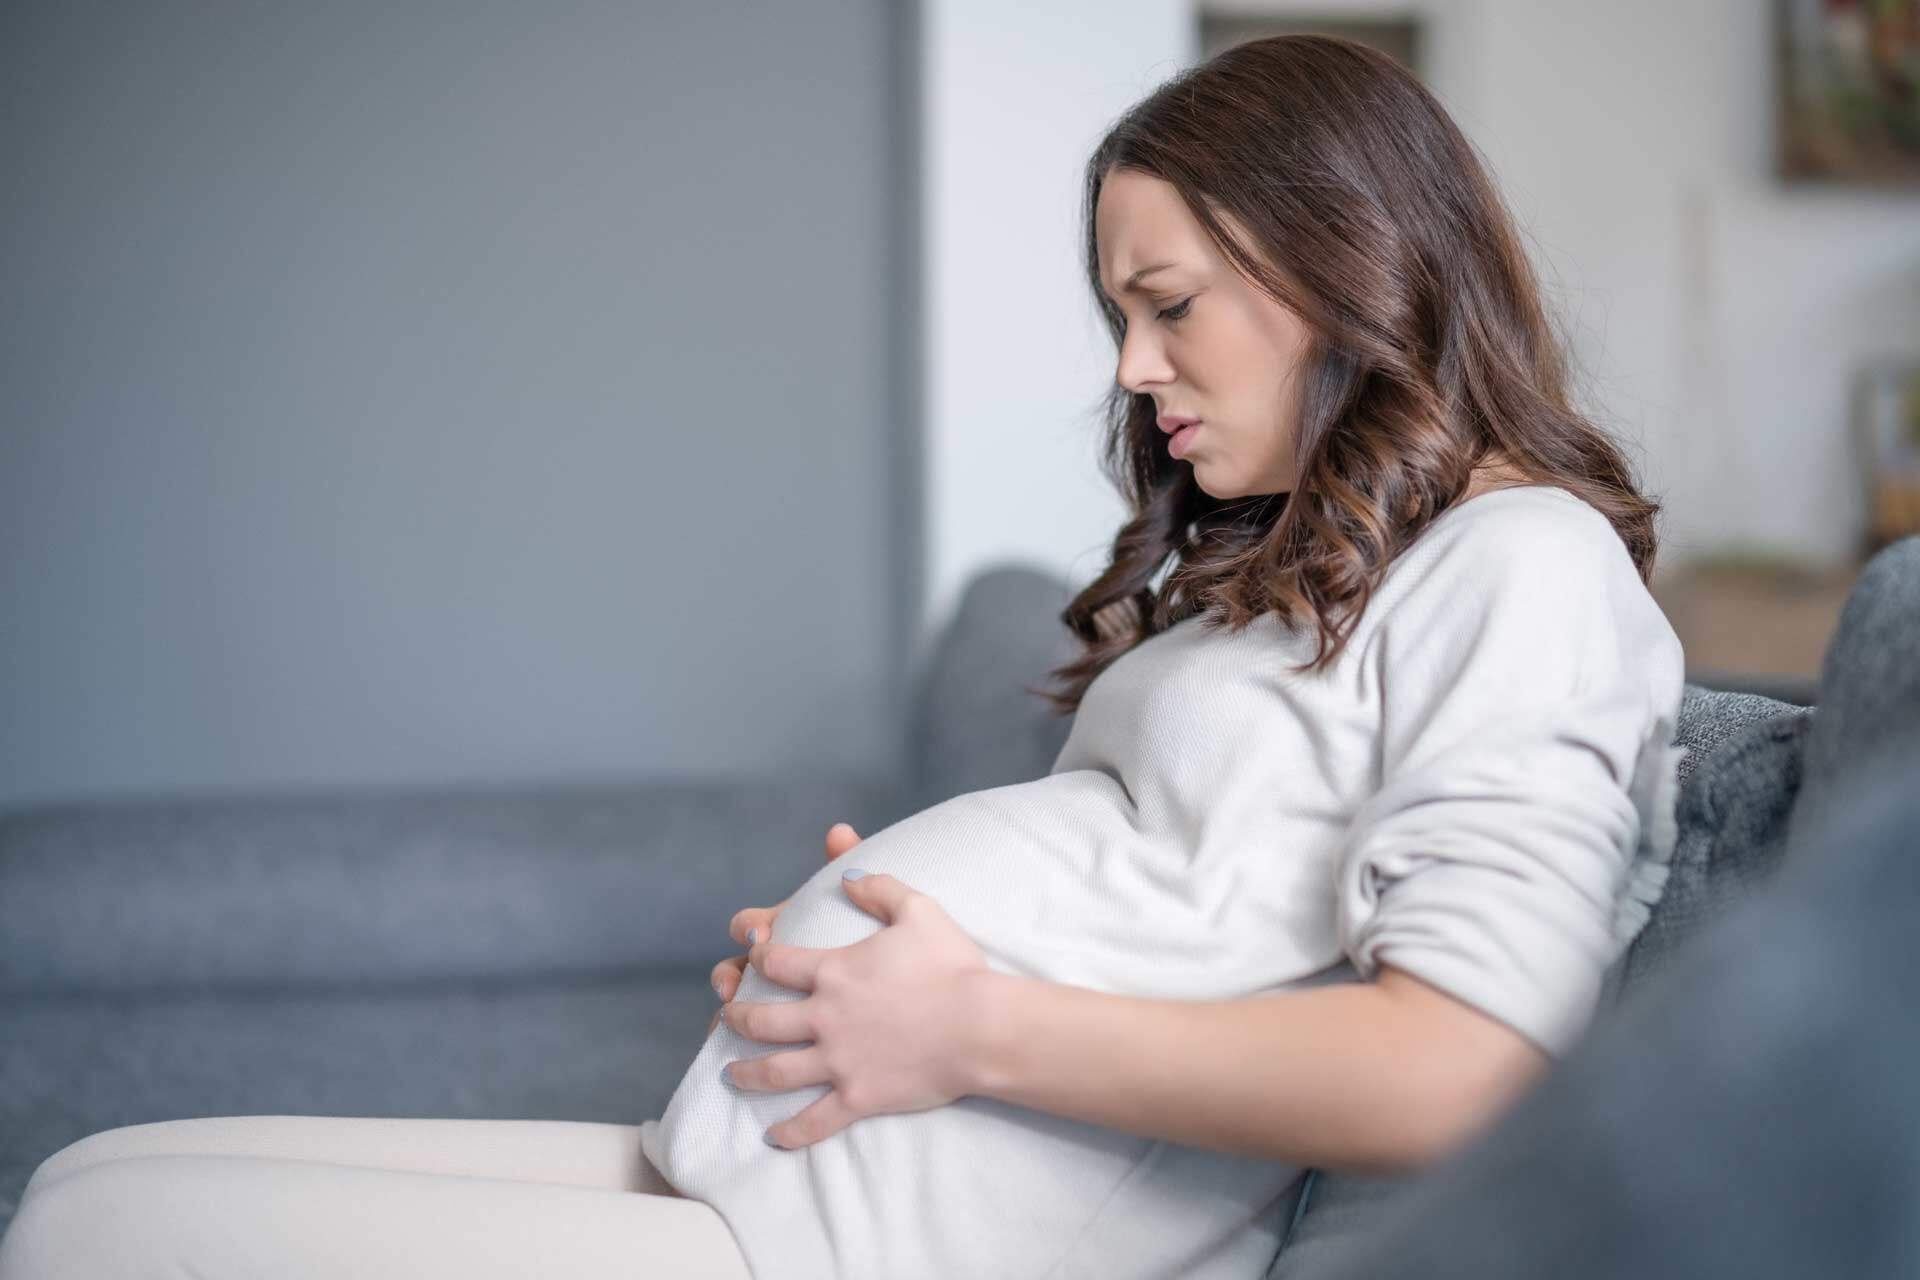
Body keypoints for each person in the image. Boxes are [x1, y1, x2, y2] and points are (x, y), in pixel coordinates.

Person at [0, 34, 1686, 1280]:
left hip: (894, 1252)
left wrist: (962, 1026)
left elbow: (1470, 1067)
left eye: (1166, 303)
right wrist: (871, 957)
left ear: (1342, 261)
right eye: (1120, 314)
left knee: (105, 1245)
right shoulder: (1325, 567)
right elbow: (1170, 906)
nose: (1131, 369)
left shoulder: (1523, 564)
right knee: (85, 1186)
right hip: (811, 1185)